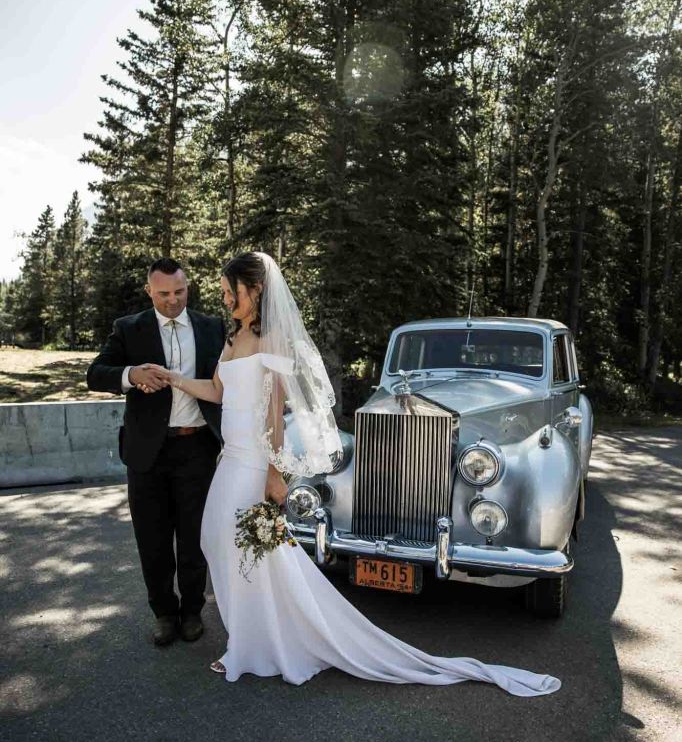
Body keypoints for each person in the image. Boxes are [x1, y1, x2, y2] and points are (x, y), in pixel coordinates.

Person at [158, 251, 561, 697]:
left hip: (252, 460)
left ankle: (252, 646)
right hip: (228, 457)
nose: (225, 297)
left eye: (231, 290)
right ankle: (257, 635)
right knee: (220, 541)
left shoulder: (271, 339)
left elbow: (274, 413)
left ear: (254, 290)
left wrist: (275, 472)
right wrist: (173, 378)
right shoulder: (233, 336)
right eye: (223, 291)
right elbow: (216, 390)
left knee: (247, 549)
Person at [86, 257, 225, 646]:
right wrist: (131, 375)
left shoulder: (211, 327)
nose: (172, 299)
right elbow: (95, 373)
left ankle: (193, 611)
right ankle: (164, 613)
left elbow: (226, 383)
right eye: (163, 293)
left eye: (179, 291)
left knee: (195, 538)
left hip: (198, 446)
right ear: (150, 291)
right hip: (147, 452)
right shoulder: (129, 329)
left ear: (188, 287)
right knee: (153, 539)